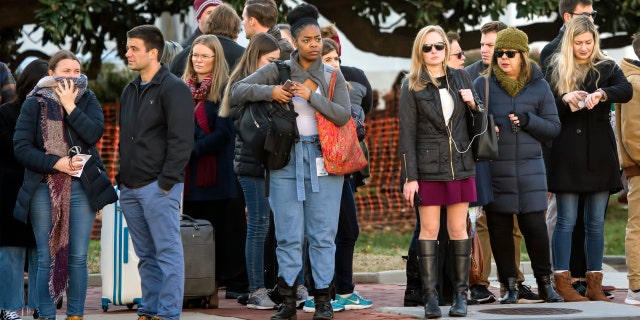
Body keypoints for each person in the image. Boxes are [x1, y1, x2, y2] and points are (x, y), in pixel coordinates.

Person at [230, 4, 351, 320]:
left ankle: (323, 301)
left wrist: (311, 97)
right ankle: (287, 301)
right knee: (287, 234)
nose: (314, 44)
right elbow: (237, 91)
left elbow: (342, 115)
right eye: (307, 39)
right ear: (295, 42)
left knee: (322, 233)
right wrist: (272, 91)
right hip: (284, 158)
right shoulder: (279, 69)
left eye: (317, 39)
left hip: (323, 159)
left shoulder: (333, 75)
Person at [13, 50, 116, 320]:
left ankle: (75, 315)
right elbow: (21, 148)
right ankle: (47, 315)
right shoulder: (33, 103)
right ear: (51, 74)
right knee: (46, 259)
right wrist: (54, 163)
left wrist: (70, 106)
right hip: (43, 188)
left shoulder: (87, 98)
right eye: (65, 71)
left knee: (78, 258)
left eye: (76, 71)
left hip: (82, 187)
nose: (72, 76)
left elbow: (94, 134)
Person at [472, 27, 563, 304]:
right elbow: (470, 126)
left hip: (531, 174)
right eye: (499, 53)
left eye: (510, 53)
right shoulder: (483, 85)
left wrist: (528, 120)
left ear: (523, 55)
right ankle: (509, 287)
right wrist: (487, 128)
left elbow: (554, 128)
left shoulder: (539, 85)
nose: (503, 58)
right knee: (499, 231)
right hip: (496, 171)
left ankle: (546, 285)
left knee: (535, 230)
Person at [547, 16, 632, 302]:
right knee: (566, 221)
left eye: (589, 42)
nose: (584, 48)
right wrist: (566, 99)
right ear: (569, 42)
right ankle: (563, 282)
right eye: (578, 43)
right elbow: (545, 107)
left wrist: (603, 93)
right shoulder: (557, 67)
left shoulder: (607, 66)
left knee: (595, 222)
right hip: (567, 156)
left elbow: (626, 91)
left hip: (599, 156)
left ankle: (594, 283)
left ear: (595, 41)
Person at [399, 25, 481, 319]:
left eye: (439, 46)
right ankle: (430, 296)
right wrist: (410, 177)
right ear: (419, 51)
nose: (434, 52)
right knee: (429, 231)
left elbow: (477, 120)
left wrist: (474, 104)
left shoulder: (461, 76)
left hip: (460, 164)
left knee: (459, 230)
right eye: (428, 47)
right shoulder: (411, 85)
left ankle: (461, 295)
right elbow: (406, 135)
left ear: (447, 49)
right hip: (428, 167)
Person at [119, 25, 195, 320]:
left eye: (134, 48)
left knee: (167, 254)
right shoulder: (130, 89)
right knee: (145, 257)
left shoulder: (174, 88)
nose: (128, 53)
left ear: (154, 53)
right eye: (127, 48)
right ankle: (148, 310)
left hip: (159, 187)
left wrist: (166, 182)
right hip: (131, 187)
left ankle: (168, 314)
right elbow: (127, 137)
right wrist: (122, 180)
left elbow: (182, 140)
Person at [464, 20, 541, 305]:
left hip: (518, 162)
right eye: (483, 45)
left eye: (492, 46)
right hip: (484, 161)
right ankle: (479, 284)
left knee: (515, 225)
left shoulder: (529, 77)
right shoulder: (471, 76)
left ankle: (515, 282)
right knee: (483, 223)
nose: (487, 50)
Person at [220, 32, 281, 310]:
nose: (275, 67)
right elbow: (236, 96)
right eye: (270, 61)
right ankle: (256, 288)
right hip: (251, 164)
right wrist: (271, 92)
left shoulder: (268, 79)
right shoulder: (244, 83)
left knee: (276, 226)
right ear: (256, 58)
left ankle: (278, 285)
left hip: (271, 163)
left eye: (278, 61)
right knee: (258, 225)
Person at [319, 38, 373, 311]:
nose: (334, 65)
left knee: (348, 230)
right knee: (322, 234)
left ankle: (343, 290)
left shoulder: (346, 90)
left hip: (343, 171)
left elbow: (357, 125)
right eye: (328, 60)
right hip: (321, 172)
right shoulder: (313, 93)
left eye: (337, 59)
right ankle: (321, 291)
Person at [0, 59, 47, 320]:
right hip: (10, 190)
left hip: (41, 189)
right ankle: (9, 306)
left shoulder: (54, 115)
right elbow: (11, 148)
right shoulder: (6, 113)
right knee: (10, 251)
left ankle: (41, 305)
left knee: (40, 251)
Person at [617, 33, 640, 305]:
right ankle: (636, 287)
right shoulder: (635, 82)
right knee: (638, 227)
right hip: (638, 170)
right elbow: (633, 135)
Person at [172, 3, 246, 78]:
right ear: (235, 27)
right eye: (196, 55)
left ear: (209, 24)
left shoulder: (185, 53)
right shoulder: (244, 55)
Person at [539, 0, 595, 72]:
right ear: (568, 17)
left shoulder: (594, 44)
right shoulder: (551, 50)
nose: (591, 19)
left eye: (592, 14)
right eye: (585, 15)